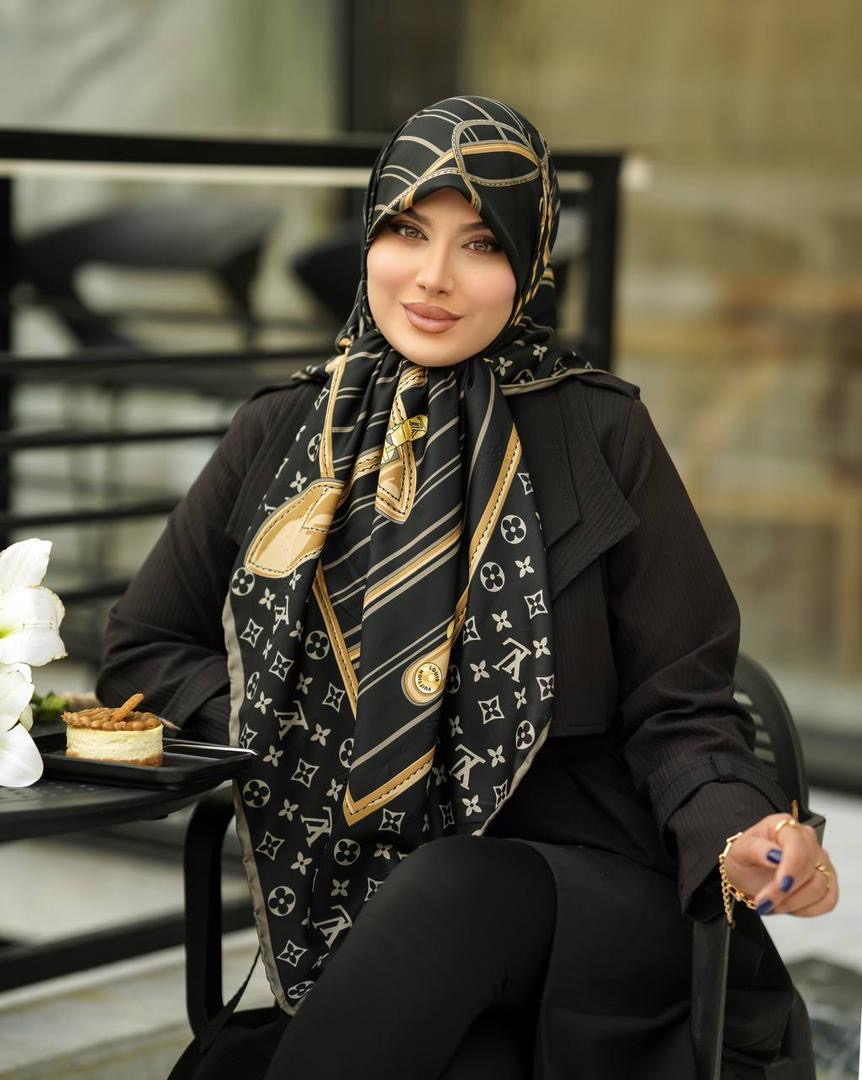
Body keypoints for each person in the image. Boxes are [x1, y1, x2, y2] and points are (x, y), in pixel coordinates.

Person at [97, 96, 838, 1079]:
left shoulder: (597, 432)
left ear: (530, 263)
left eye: (481, 243)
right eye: (407, 231)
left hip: (593, 901)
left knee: (452, 887)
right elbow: (143, 653)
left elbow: (684, 706)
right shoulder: (284, 431)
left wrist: (746, 830)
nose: (434, 276)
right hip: (382, 915)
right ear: (369, 236)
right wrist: (302, 716)